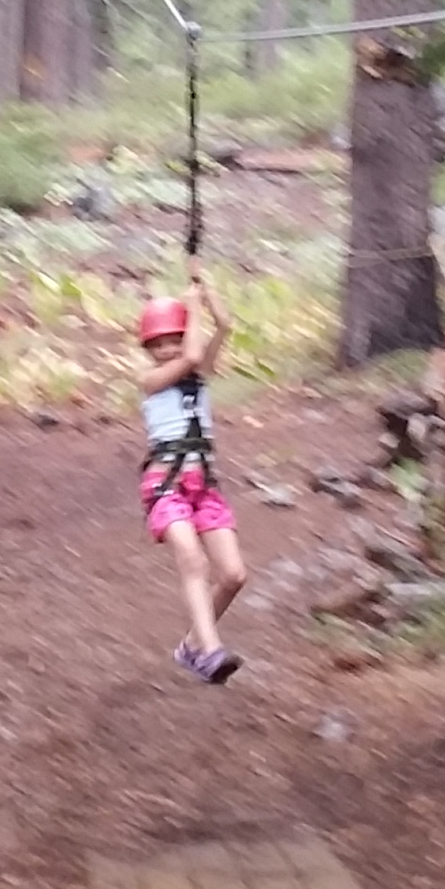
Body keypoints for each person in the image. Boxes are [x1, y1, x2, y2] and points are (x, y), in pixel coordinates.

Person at [135, 260, 246, 684]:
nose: (168, 349)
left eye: (174, 340)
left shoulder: (198, 373)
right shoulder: (151, 379)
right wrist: (191, 307)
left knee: (233, 575)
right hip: (165, 485)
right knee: (192, 559)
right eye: (159, 344)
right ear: (149, 349)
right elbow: (194, 354)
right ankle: (212, 651)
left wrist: (204, 288)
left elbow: (225, 326)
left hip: (203, 485)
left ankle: (191, 647)